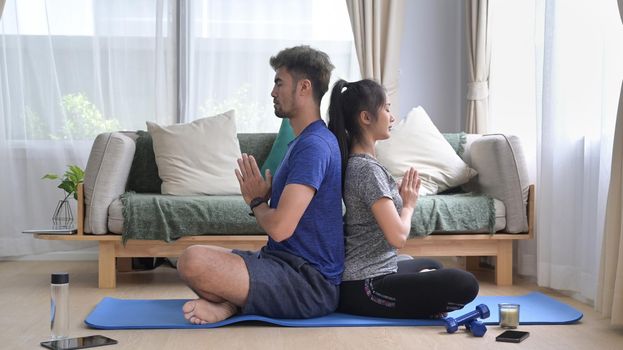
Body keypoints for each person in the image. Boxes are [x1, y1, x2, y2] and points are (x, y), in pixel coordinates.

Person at [177, 46, 344, 324]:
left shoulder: (313, 145)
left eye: (279, 83)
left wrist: (257, 202)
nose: (273, 92)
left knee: (193, 262)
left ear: (304, 87)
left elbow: (280, 228)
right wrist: (269, 197)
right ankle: (234, 303)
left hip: (309, 283)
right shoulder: (305, 141)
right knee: (191, 257)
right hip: (280, 263)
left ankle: (234, 305)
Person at [327, 79, 479, 319]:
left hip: (371, 274)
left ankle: (419, 300)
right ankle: (420, 305)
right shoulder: (366, 169)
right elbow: (397, 237)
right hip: (366, 287)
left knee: (434, 266)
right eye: (386, 109)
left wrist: (397, 198)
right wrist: (408, 204)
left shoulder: (363, 165)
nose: (392, 117)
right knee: (466, 284)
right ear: (366, 117)